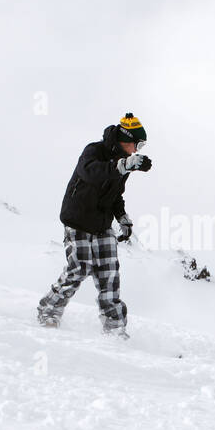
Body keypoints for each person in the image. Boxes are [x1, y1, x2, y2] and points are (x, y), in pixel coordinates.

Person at [36, 113, 153, 337]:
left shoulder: (123, 165)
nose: (137, 150)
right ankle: (48, 311)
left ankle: (115, 328)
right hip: (78, 219)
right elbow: (90, 172)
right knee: (79, 267)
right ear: (127, 139)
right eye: (138, 144)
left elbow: (115, 194)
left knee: (109, 275)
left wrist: (122, 217)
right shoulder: (94, 151)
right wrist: (122, 165)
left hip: (102, 224)